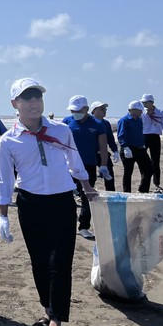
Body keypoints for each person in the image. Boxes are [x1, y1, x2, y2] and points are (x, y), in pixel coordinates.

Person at [0, 77, 93, 326]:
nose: (34, 102)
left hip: (62, 203)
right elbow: (4, 180)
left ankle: (56, 324)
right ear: (15, 103)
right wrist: (3, 215)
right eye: (27, 98)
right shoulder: (8, 141)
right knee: (39, 262)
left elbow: (75, 162)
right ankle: (48, 310)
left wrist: (88, 189)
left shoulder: (61, 130)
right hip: (31, 205)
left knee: (60, 262)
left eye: (37, 97)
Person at [62, 95, 109, 240]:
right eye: (72, 111)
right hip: (68, 166)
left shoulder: (97, 124)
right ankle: (67, 224)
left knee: (87, 196)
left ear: (87, 109)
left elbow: (103, 146)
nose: (75, 113)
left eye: (78, 110)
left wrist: (103, 165)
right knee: (66, 196)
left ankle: (83, 227)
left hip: (88, 165)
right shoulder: (67, 122)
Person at [117, 101, 153, 193]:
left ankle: (143, 190)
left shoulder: (139, 120)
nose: (141, 112)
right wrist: (125, 147)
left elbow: (140, 133)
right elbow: (121, 135)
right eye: (140, 110)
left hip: (140, 149)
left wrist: (142, 143)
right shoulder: (124, 120)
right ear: (133, 110)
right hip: (128, 149)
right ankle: (127, 193)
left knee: (148, 169)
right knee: (128, 172)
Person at [141, 94, 163, 193]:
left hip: (155, 137)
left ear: (151, 102)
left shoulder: (160, 112)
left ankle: (157, 184)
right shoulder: (142, 112)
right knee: (143, 160)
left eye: (145, 102)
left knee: (156, 161)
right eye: (143, 102)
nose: (144, 104)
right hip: (144, 137)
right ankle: (144, 182)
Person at [89, 101, 117, 191]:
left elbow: (110, 139)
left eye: (105, 109)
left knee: (109, 176)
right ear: (93, 111)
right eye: (101, 109)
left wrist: (115, 150)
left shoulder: (106, 123)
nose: (104, 111)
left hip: (103, 154)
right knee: (90, 177)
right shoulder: (88, 123)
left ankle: (111, 195)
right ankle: (86, 195)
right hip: (90, 154)